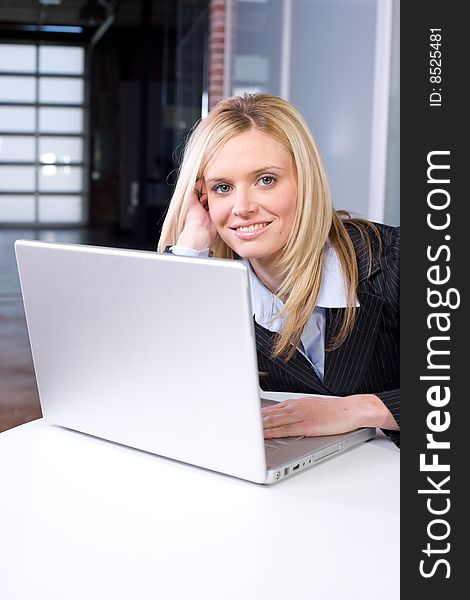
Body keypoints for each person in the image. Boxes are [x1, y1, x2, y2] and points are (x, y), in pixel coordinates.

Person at [158, 93, 400, 447]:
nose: (241, 208)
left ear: (305, 180)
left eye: (266, 180)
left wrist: (361, 409)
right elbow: (164, 389)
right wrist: (191, 246)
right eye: (222, 188)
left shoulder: (395, 260)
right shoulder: (215, 289)